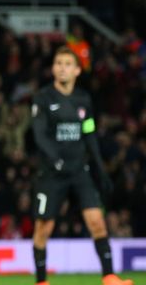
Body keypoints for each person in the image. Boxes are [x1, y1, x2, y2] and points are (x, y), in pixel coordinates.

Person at [30, 46, 132, 285]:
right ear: (53, 68)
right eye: (58, 63)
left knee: (97, 221)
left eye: (67, 64)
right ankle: (41, 281)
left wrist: (100, 167)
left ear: (77, 70)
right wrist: (55, 159)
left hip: (79, 171)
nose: (62, 67)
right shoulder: (43, 98)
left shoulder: (83, 100)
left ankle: (109, 277)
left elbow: (89, 134)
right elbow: (39, 135)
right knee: (44, 227)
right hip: (51, 173)